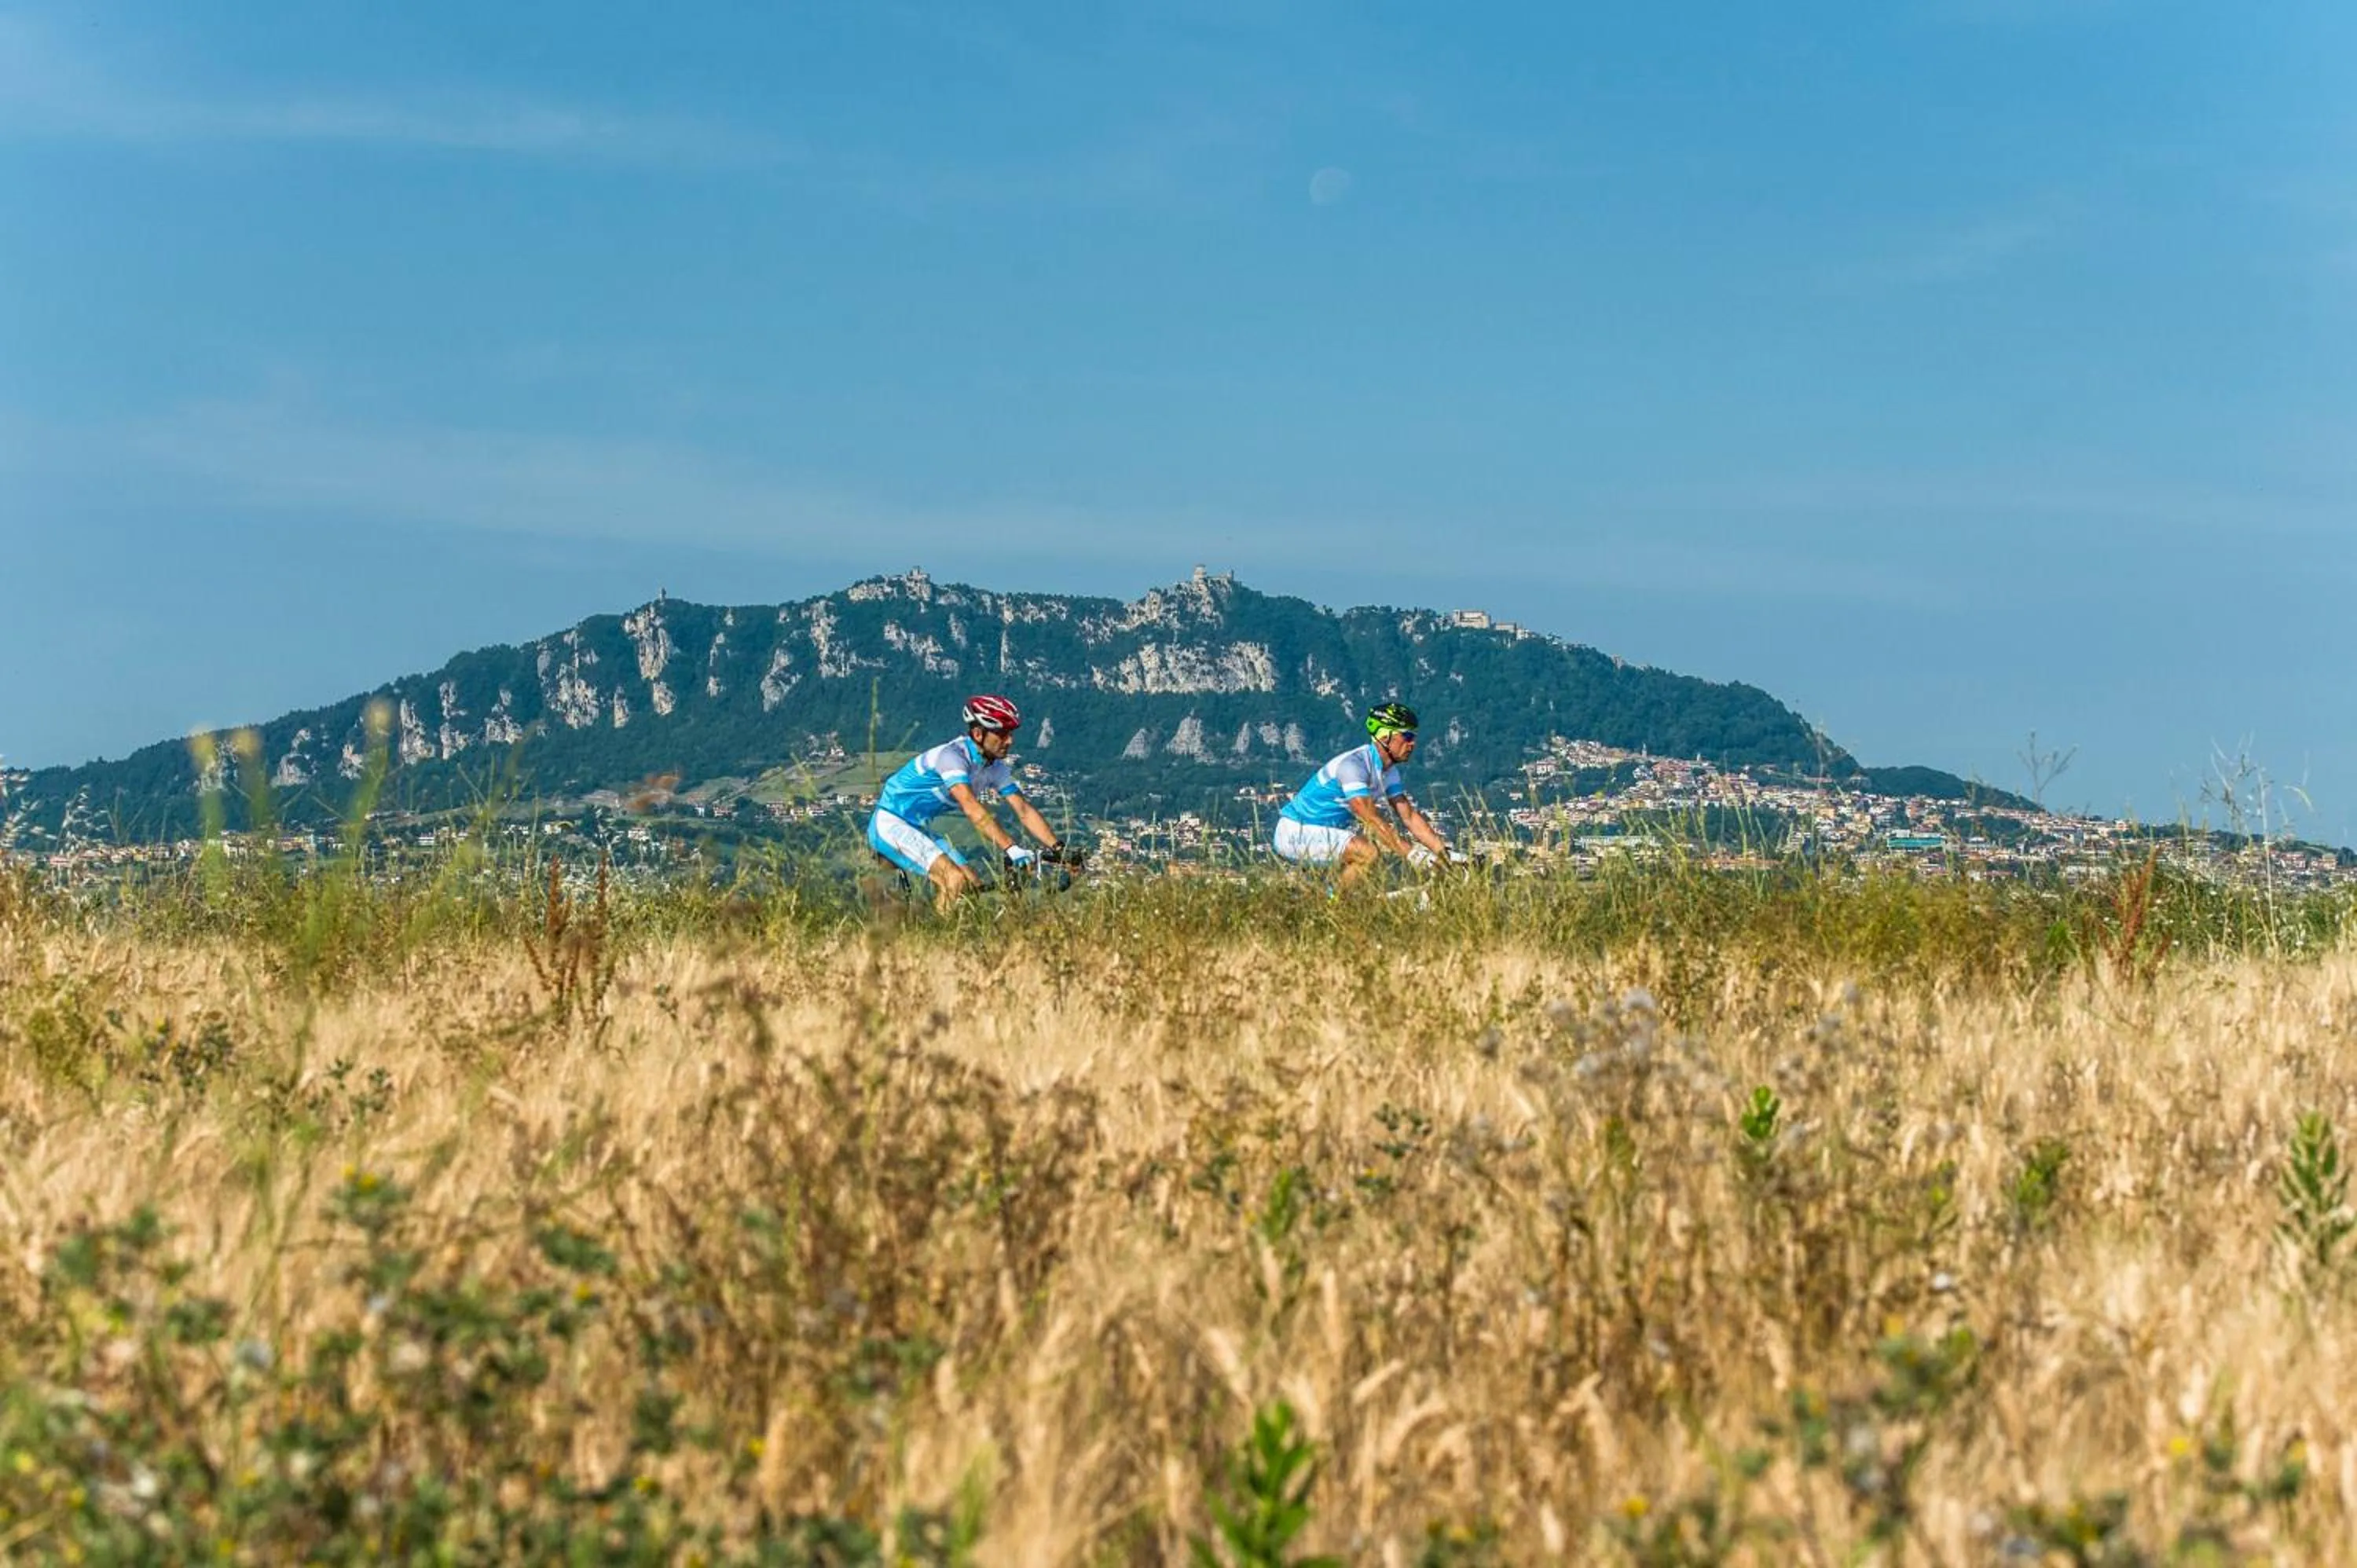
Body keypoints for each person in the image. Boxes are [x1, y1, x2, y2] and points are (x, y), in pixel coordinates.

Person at [867, 695, 1080, 910]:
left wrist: (1060, 849)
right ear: (978, 734)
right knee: (954, 880)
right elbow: (970, 807)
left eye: (1011, 734)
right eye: (1003, 734)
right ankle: (940, 941)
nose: (1010, 741)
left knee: (972, 887)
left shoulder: (995, 767)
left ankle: (940, 927)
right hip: (891, 823)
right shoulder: (952, 757)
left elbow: (1023, 810)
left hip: (917, 827)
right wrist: (1011, 848)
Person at [1272, 702, 1453, 888]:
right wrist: (1413, 855)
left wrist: (1444, 854)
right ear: (1385, 737)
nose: (1412, 743)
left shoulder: (1389, 772)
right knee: (1367, 853)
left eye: (1413, 736)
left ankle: (1329, 901)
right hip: (1295, 832)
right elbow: (1370, 819)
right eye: (1406, 736)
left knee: (1364, 878)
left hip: (1323, 833)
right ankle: (1335, 907)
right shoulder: (1354, 766)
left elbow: (1409, 817)